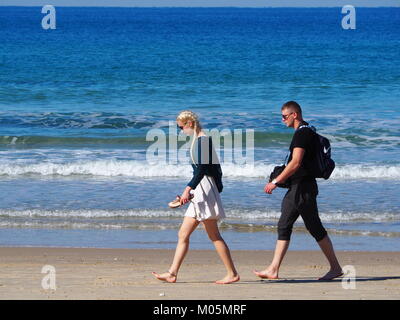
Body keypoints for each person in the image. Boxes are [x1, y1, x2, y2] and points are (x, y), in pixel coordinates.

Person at [254, 101, 343, 281]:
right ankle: (274, 269)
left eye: (285, 116)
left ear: (295, 115)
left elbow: (295, 162)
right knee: (287, 225)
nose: (282, 120)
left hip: (302, 187)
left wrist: (276, 181)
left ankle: (335, 267)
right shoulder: (307, 131)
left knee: (310, 227)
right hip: (301, 186)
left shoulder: (302, 133)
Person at [152, 110, 240, 284]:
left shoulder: (203, 141)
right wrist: (192, 192)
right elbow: (213, 170)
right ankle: (172, 273)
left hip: (204, 189)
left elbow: (202, 169)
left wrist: (188, 190)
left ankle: (232, 273)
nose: (181, 130)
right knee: (183, 234)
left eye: (181, 127)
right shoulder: (199, 141)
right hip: (202, 190)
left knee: (214, 235)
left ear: (190, 124)